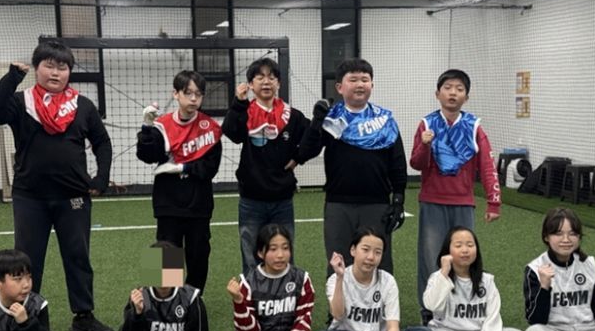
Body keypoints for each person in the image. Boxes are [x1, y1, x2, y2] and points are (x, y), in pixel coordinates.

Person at [0, 40, 114, 331]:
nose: (55, 73)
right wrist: (12, 78)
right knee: (27, 261)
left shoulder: (82, 106)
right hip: (30, 197)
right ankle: (27, 317)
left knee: (78, 256)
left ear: (69, 71)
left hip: (73, 197)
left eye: (62, 67)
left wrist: (101, 178)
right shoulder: (20, 102)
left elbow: (102, 142)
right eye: (49, 66)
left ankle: (83, 316)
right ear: (37, 68)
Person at [298, 58, 406, 276]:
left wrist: (398, 199)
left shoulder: (385, 120)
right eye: (353, 79)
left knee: (378, 262)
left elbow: (397, 162)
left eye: (365, 80)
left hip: (377, 204)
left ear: (372, 85)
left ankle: (379, 299)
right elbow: (305, 153)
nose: (360, 84)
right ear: (340, 87)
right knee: (339, 262)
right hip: (339, 204)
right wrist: (316, 121)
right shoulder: (332, 119)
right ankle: (338, 300)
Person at [410, 69, 501, 325]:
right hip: (432, 203)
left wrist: (494, 201)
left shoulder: (474, 126)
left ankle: (463, 308)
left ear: (466, 97)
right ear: (437, 94)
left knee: (464, 257)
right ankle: (429, 312)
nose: (453, 93)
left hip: (463, 203)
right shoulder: (427, 124)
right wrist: (424, 145)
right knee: (430, 258)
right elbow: (416, 163)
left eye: (459, 89)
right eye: (448, 88)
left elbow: (487, 166)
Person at [313, 227, 435, 331]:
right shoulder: (336, 279)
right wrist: (340, 278)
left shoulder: (388, 281)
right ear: (353, 250)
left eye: (377, 252)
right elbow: (337, 314)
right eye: (365, 250)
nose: (371, 257)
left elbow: (393, 327)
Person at [137, 70, 222, 293]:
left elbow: (210, 168)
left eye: (198, 94)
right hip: (167, 203)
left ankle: (193, 300)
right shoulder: (161, 125)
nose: (193, 99)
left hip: (199, 204)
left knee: (198, 254)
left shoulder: (210, 128)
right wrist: (146, 127)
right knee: (164, 254)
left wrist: (183, 167)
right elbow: (146, 156)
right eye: (188, 93)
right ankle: (161, 301)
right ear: (175, 94)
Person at [222, 58, 309, 274]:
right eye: (260, 77)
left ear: (279, 83)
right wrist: (239, 103)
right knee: (166, 247)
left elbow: (313, 137)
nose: (266, 81)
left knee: (282, 255)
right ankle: (162, 293)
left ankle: (283, 292)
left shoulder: (292, 115)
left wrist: (298, 157)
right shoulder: (163, 127)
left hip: (281, 198)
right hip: (169, 207)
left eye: (271, 77)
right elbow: (231, 132)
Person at [423, 226, 537, 331]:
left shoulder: (486, 280)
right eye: (458, 245)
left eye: (470, 245)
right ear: (448, 251)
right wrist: (444, 272)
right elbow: (431, 305)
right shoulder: (438, 278)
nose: (465, 250)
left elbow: (493, 315)